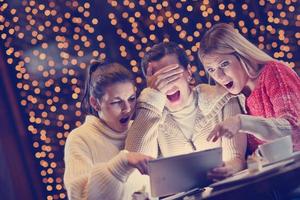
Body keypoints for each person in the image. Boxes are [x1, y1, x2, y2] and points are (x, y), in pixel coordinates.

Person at [125, 42, 247, 181]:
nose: (168, 84)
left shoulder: (223, 98)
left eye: (173, 74)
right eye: (160, 79)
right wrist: (152, 97)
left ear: (188, 72)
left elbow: (236, 158)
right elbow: (134, 165)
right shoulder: (150, 117)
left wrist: (228, 169)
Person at [198, 23, 300, 154]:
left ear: (242, 56)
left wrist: (241, 122)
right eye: (211, 70)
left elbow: (293, 130)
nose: (218, 76)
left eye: (224, 64)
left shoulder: (274, 72)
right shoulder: (234, 97)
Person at [64, 60, 153, 200]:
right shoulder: (80, 138)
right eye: (116, 102)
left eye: (131, 98)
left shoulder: (138, 129)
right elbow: (80, 197)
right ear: (95, 103)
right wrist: (122, 162)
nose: (127, 108)